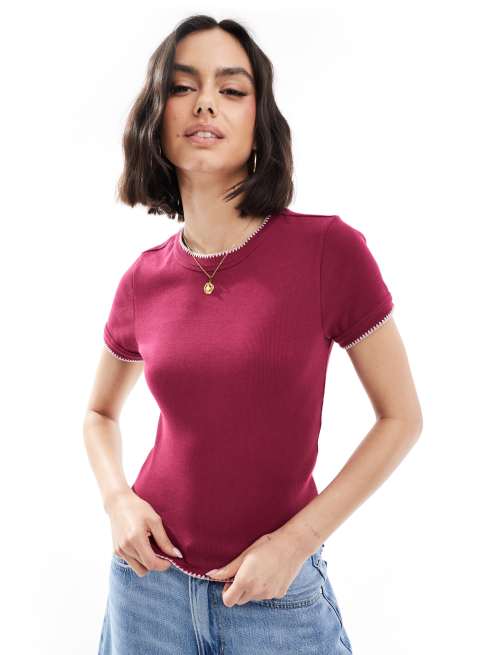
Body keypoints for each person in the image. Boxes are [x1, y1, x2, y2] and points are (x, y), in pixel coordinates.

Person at [83, 14, 423, 655]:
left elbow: (401, 418)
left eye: (231, 89)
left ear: (259, 120)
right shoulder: (144, 279)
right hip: (146, 589)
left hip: (275, 596)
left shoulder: (328, 251)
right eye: (183, 86)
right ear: (156, 115)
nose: (205, 102)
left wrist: (297, 542)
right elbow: (99, 413)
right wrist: (117, 501)